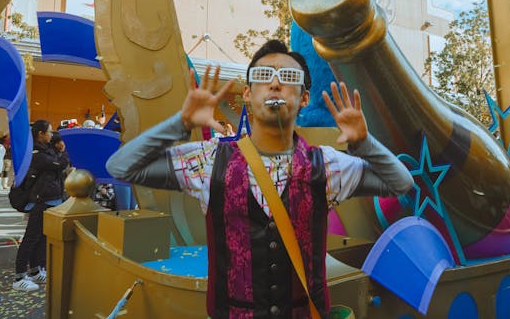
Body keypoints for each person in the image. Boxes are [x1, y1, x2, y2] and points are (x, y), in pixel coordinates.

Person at [106, 39, 413, 318]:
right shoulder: (208, 161)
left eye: (289, 78)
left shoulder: (328, 165)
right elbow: (121, 167)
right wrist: (180, 123)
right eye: (264, 77)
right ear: (248, 94)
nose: (276, 84)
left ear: (304, 98)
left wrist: (364, 142)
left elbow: (401, 183)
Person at [13, 120, 70, 292]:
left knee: (42, 237)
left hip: (50, 200)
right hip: (40, 201)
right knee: (31, 238)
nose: (51, 135)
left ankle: (36, 269)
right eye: (49, 132)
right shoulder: (36, 153)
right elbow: (59, 165)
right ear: (40, 134)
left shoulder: (47, 149)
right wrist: (63, 152)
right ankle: (19, 277)